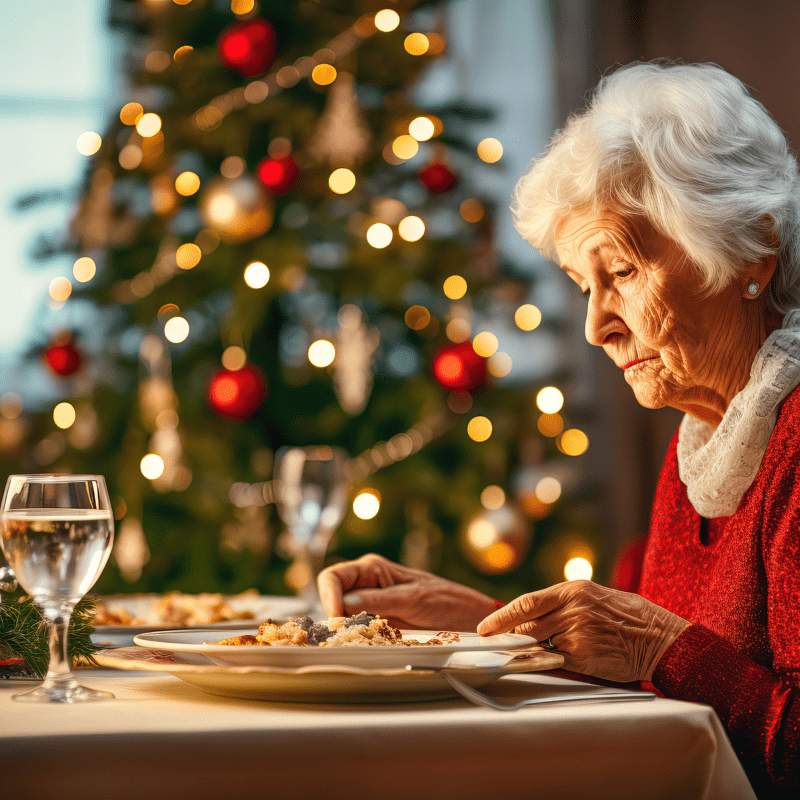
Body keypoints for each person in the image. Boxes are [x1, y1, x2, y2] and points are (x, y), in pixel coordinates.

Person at [317, 61, 800, 797]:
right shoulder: (704, 441)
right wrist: (481, 621)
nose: (596, 326)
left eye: (624, 273)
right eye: (585, 286)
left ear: (750, 253)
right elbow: (661, 689)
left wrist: (658, 644)